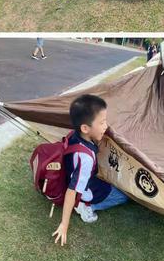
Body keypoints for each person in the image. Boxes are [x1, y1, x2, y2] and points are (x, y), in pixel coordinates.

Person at [52, 95, 129, 246]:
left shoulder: (75, 135)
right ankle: (87, 206)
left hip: (79, 177)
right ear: (85, 128)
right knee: (124, 195)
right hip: (86, 191)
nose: (106, 126)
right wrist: (64, 225)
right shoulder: (85, 158)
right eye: (101, 123)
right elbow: (71, 191)